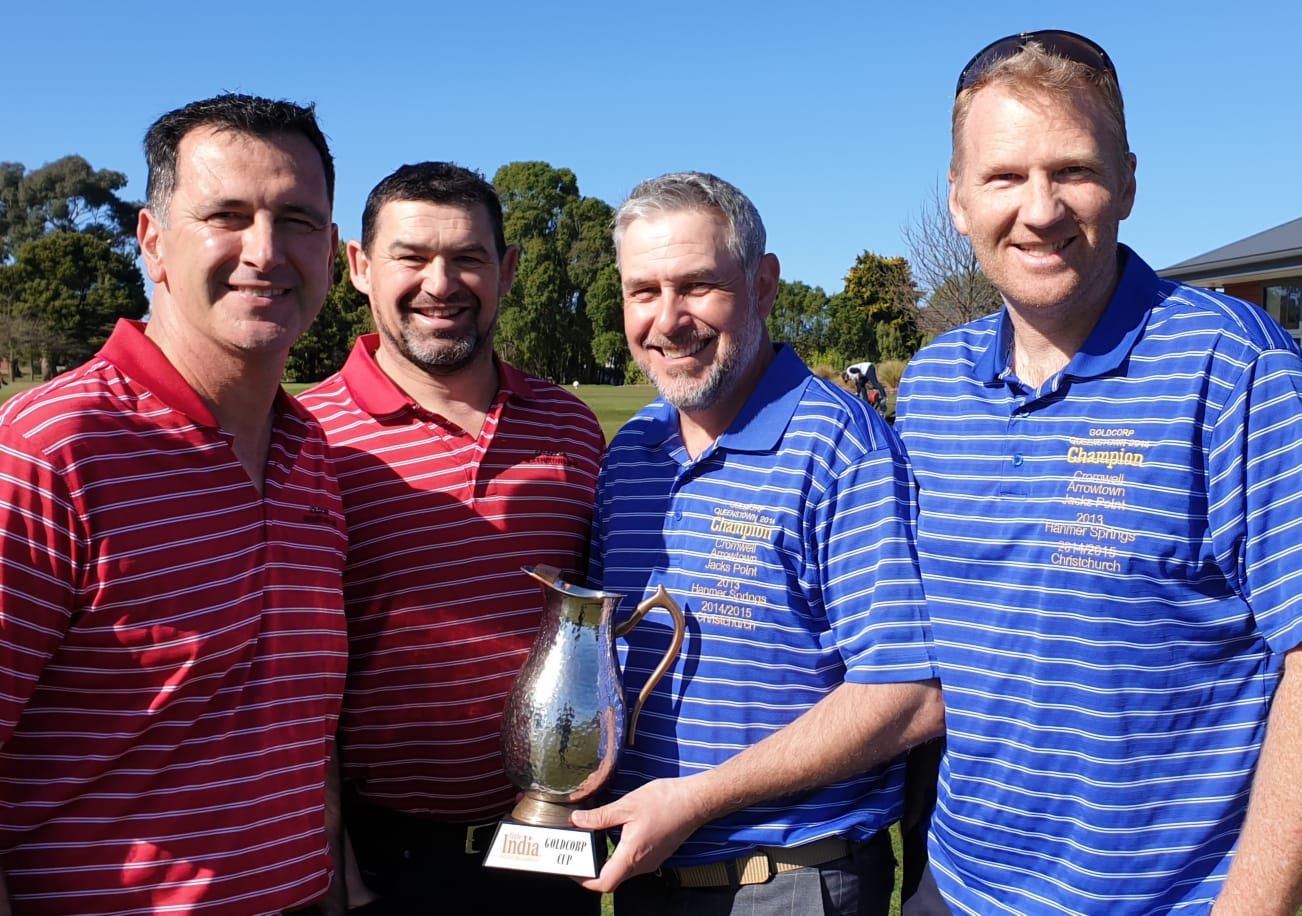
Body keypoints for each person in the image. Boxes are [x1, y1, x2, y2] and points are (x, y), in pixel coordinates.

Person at [894, 30, 1302, 914]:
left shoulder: (1234, 366)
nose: (1039, 210)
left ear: (1127, 182)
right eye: (1004, 176)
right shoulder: (931, 387)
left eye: (1072, 170)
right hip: (956, 887)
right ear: (958, 199)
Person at [0, 93, 347, 913]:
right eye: (227, 215)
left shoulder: (311, 453)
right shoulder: (52, 449)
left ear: (332, 252)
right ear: (153, 242)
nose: (265, 251)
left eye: (297, 220)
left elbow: (294, 726)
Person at [571, 171, 944, 916]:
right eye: (643, 292)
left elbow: (908, 696)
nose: (669, 319)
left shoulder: (841, 447)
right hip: (647, 877)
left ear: (763, 285)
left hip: (789, 879)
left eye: (698, 286)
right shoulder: (631, 454)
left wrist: (697, 799)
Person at [298, 161, 606, 914]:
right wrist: (335, 866)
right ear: (359, 267)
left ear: (508, 269)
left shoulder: (571, 427)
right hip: (383, 861)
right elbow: (289, 680)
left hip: (551, 849)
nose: (441, 283)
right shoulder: (306, 439)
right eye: (412, 257)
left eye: (468, 257)